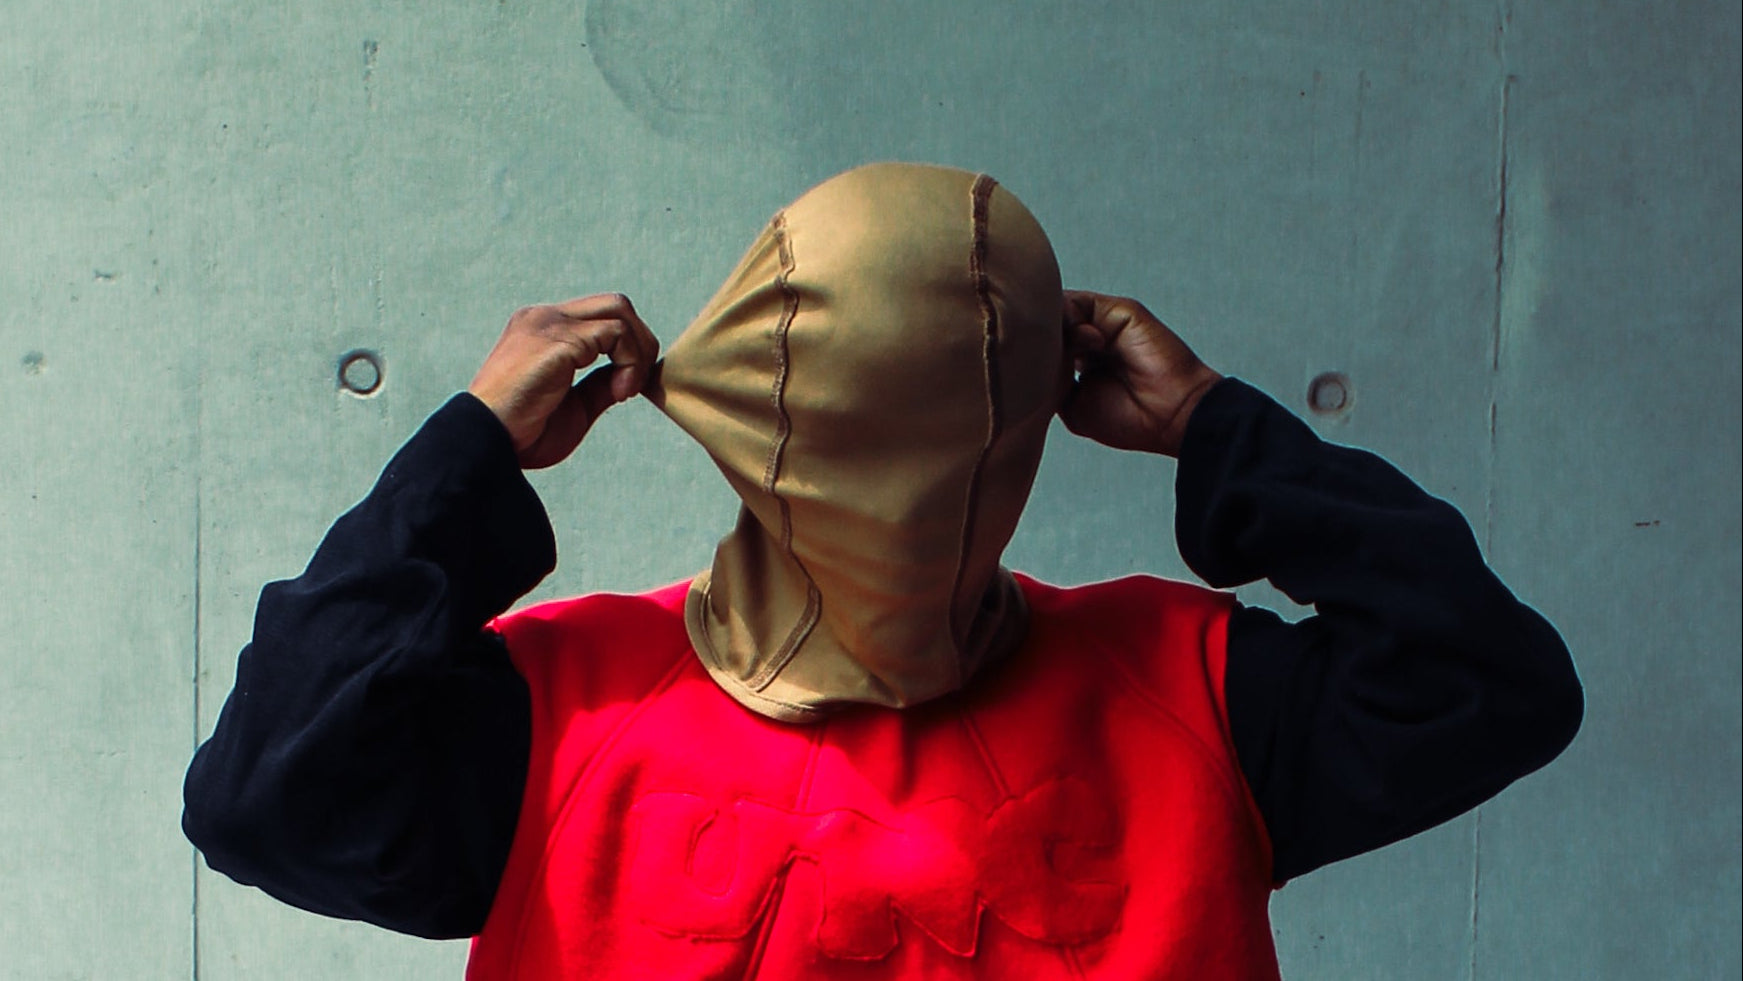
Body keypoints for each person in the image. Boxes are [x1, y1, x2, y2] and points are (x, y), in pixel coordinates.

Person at [183, 163, 1583, 979]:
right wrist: (1213, 425)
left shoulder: (1193, 695)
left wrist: (475, 449)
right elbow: (262, 797)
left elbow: (1492, 682)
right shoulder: (556, 723)